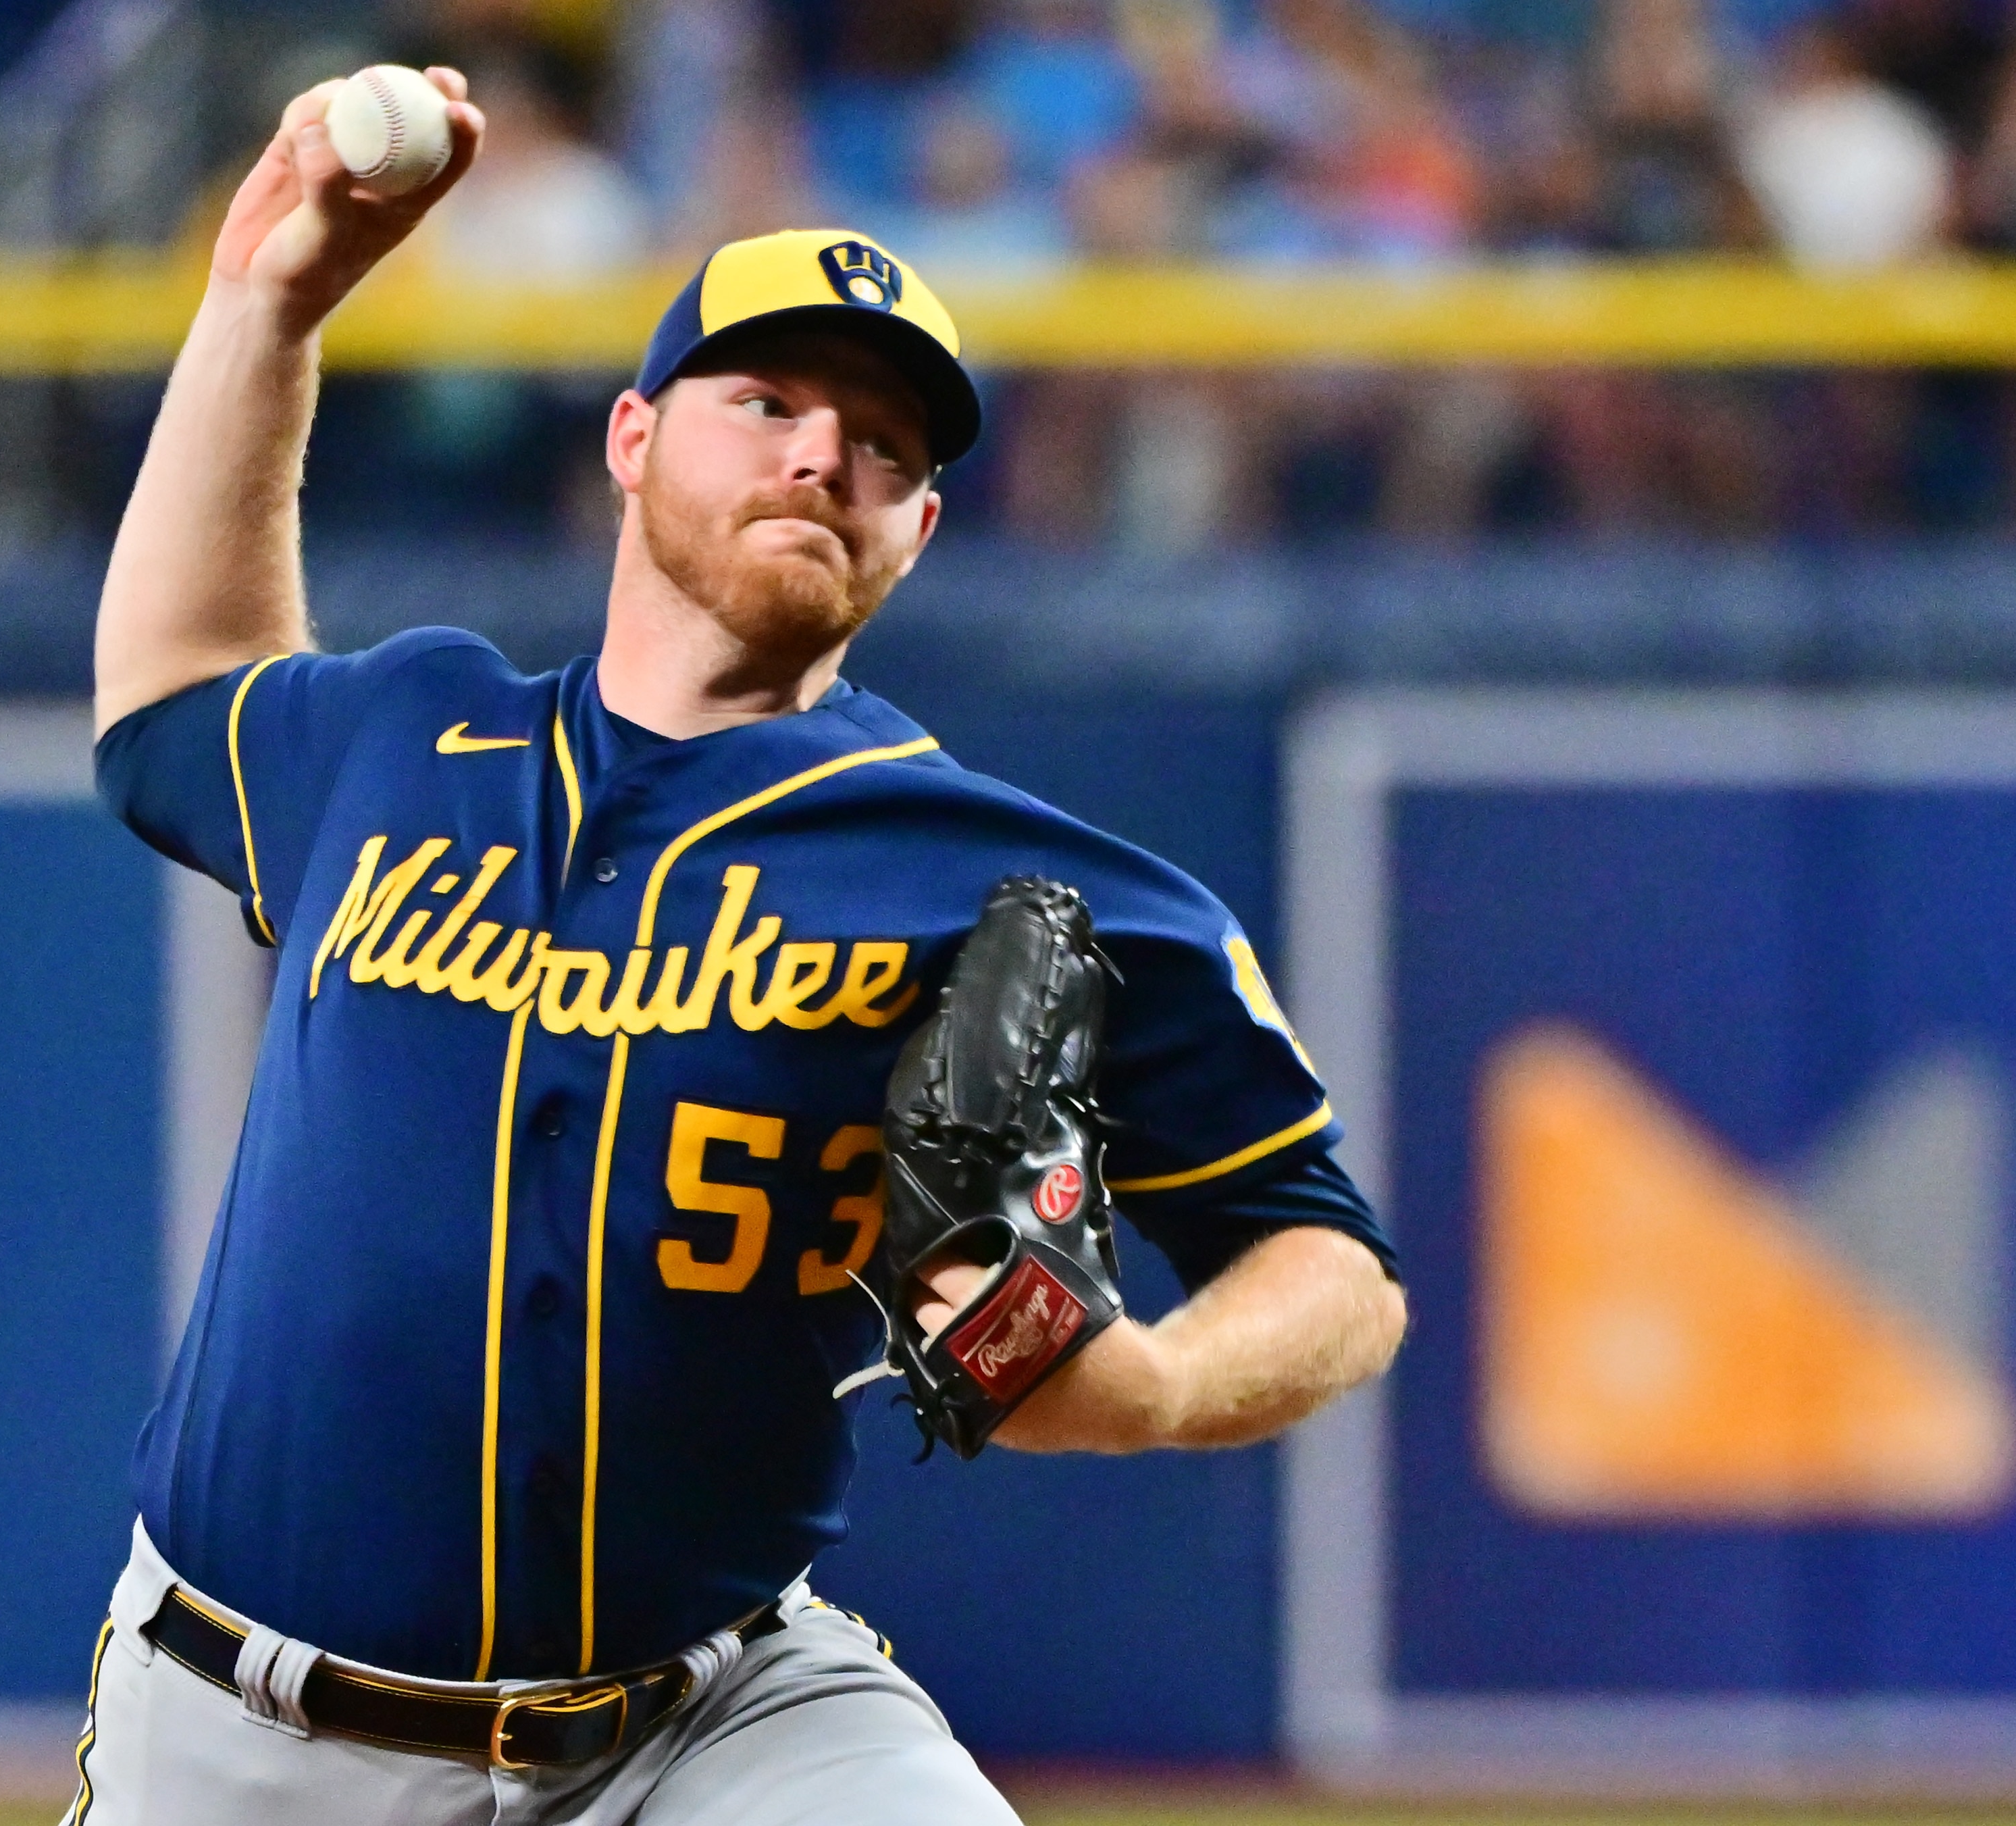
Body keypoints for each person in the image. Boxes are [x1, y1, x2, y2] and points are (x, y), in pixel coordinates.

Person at [76, 66, 1407, 1824]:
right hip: (239, 1733)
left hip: (709, 1731)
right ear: (631, 440)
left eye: (884, 450)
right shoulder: (408, 736)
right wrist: (272, 302)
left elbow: (1333, 1267)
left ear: (918, 532)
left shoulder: (1000, 880)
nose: (821, 457)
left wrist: (1156, 1384)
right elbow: (171, 698)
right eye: (766, 399)